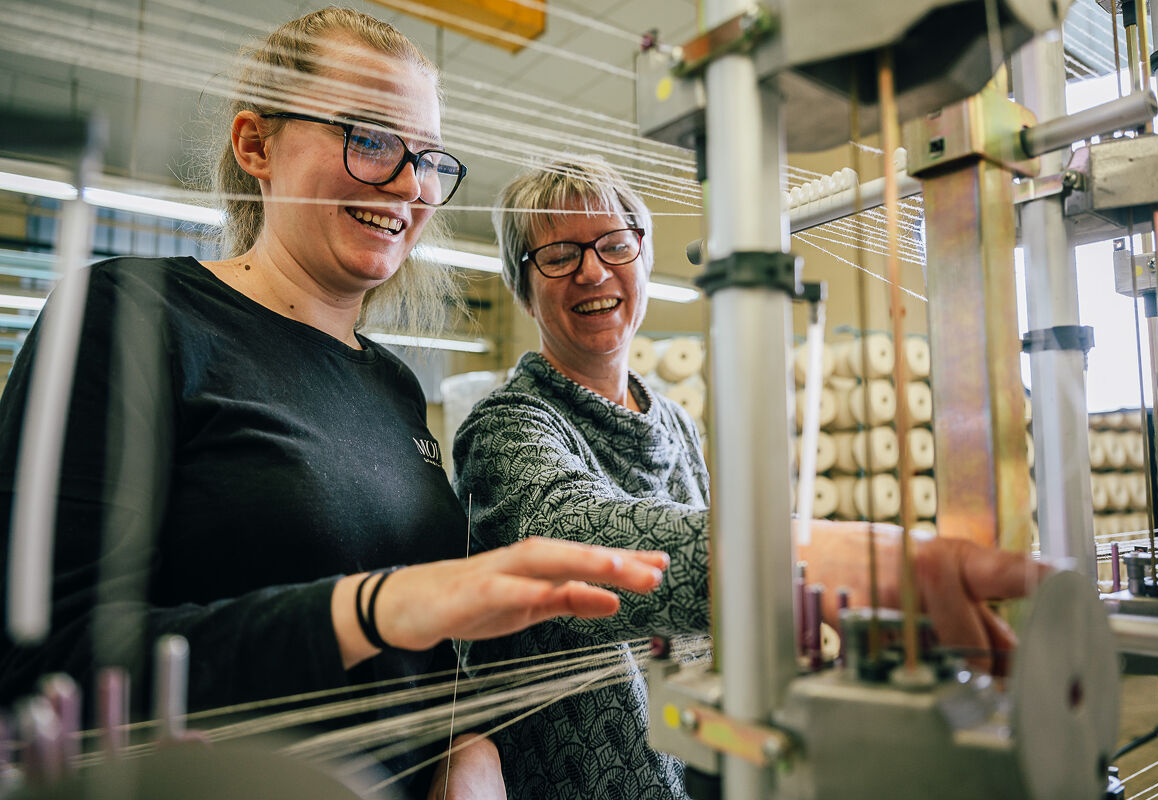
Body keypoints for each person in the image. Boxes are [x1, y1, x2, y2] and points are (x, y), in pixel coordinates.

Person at [0, 11, 670, 798]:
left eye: (426, 159)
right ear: (257, 146)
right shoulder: (131, 317)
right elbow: (42, 666)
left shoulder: (389, 385)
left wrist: (468, 746)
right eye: (371, 138)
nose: (409, 186)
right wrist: (374, 606)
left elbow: (419, 659)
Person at [452, 156, 1044, 799]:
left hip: (705, 759)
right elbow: (572, 543)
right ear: (522, 285)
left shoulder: (672, 421)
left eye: (614, 244)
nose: (593, 270)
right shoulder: (508, 428)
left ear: (643, 256)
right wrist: (805, 553)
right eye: (560, 255)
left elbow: (704, 612)